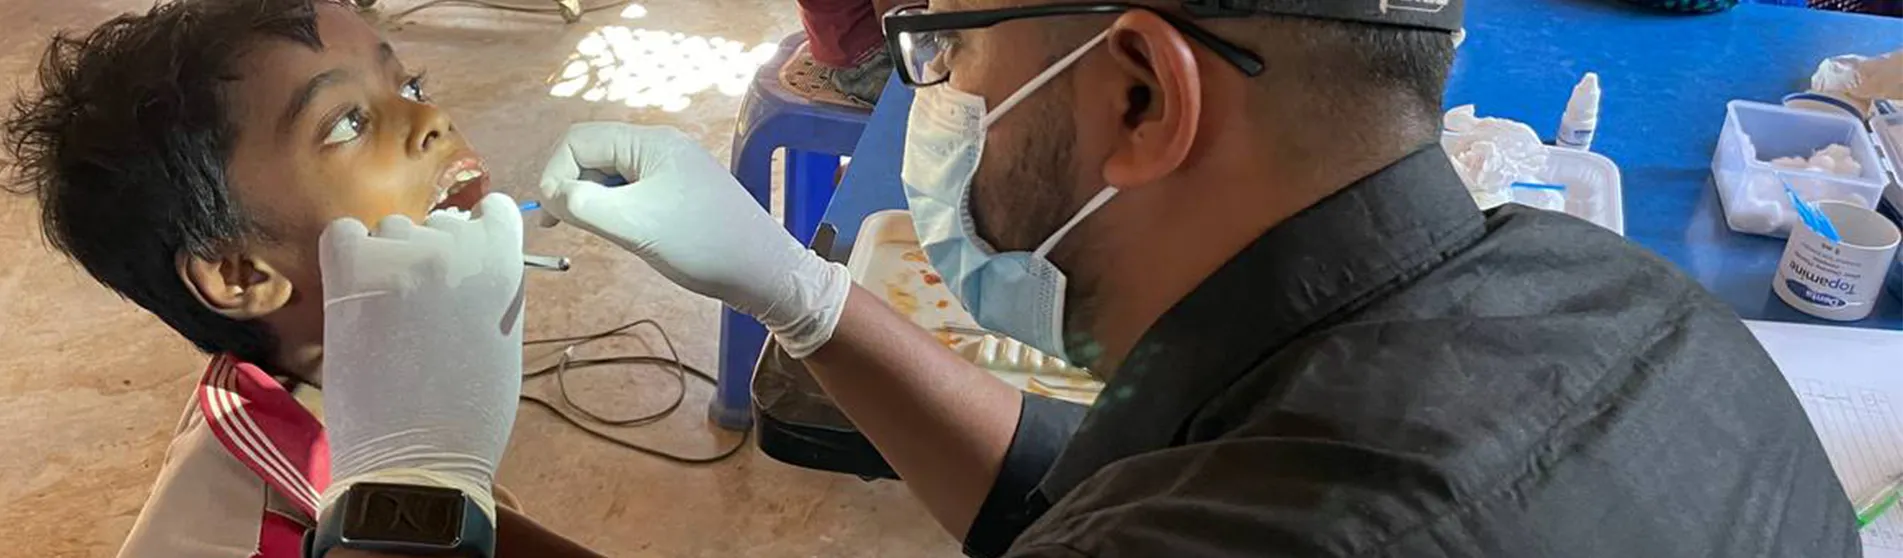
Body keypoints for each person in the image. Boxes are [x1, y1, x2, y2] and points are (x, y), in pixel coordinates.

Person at [532, 0, 1859, 555]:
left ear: (1135, 94)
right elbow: (1114, 482)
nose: (932, 102)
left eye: (944, 55)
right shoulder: (1610, 293)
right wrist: (800, 293)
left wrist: (414, 487)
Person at [0, 0, 595, 556]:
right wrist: (414, 498)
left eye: (409, 85)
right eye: (346, 123)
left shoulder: (386, 399)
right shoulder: (258, 535)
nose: (430, 118)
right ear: (241, 274)